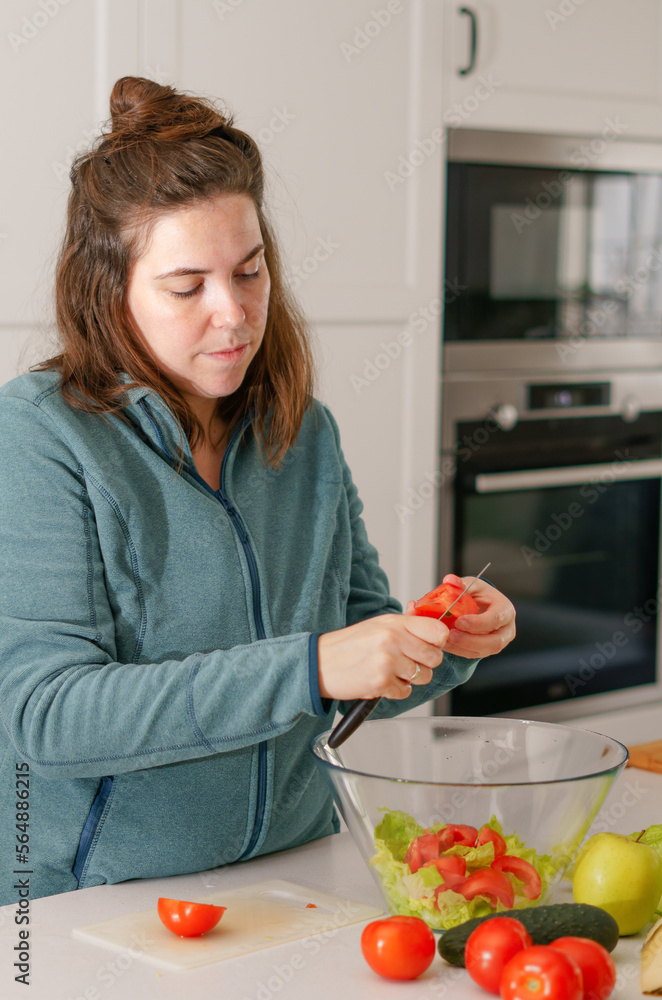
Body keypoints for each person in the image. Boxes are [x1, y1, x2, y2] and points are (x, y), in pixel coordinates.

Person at [0, 77, 516, 904]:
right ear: (108, 290)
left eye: (249, 272)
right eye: (186, 287)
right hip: (95, 899)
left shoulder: (302, 429)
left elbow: (357, 665)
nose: (234, 313)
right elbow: (50, 718)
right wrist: (307, 666)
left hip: (295, 877)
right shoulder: (40, 434)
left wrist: (439, 643)